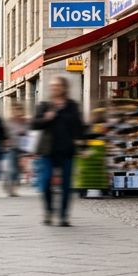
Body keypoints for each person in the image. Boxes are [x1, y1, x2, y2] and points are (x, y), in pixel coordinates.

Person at [31, 76, 86, 226]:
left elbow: (79, 127)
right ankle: (49, 211)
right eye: (52, 86)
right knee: (46, 181)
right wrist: (46, 118)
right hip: (47, 150)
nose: (54, 88)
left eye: (57, 86)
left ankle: (63, 215)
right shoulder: (45, 106)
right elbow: (34, 124)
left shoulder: (72, 106)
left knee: (67, 185)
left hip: (66, 150)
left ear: (64, 88)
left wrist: (83, 146)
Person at [5, 105, 29, 196]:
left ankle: (13, 188)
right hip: (12, 148)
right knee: (12, 169)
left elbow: (28, 134)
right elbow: (5, 134)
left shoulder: (25, 122)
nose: (18, 113)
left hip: (22, 149)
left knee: (19, 170)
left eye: (19, 110)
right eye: (16, 110)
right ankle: (11, 188)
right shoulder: (9, 122)